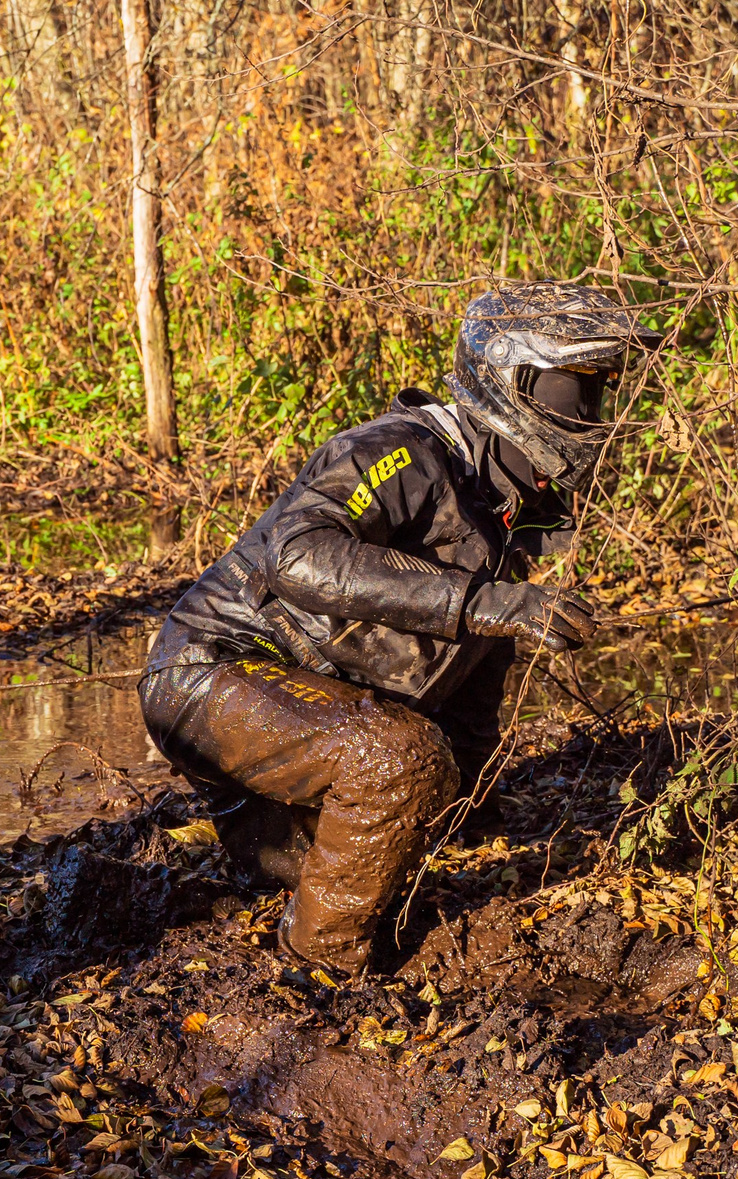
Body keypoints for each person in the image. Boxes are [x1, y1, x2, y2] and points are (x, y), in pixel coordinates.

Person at [141, 282, 659, 972]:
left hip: (313, 698)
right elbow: (296, 554)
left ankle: (269, 850)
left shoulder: (507, 496)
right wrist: (487, 601)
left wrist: (470, 807)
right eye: (577, 391)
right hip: (212, 670)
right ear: (516, 381)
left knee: (351, 836)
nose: (591, 414)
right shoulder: (402, 451)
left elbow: (475, 668)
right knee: (396, 761)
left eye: (600, 392)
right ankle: (315, 970)